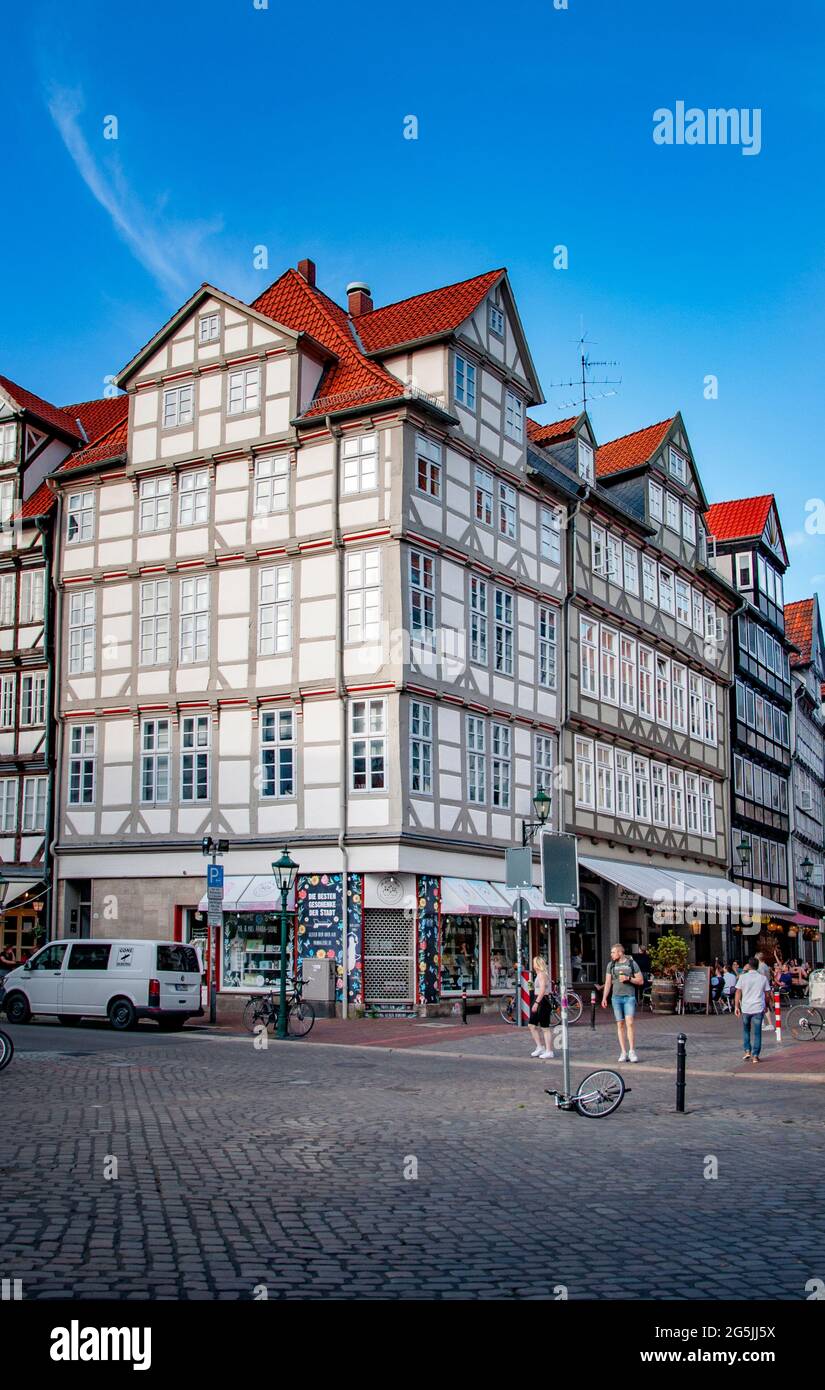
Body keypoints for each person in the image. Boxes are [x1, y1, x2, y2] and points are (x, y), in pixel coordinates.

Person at [601, 943, 643, 1063]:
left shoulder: (631, 963)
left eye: (613, 952)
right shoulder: (611, 965)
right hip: (616, 998)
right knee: (620, 1024)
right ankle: (623, 1051)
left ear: (620, 952)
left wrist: (628, 979)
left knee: (629, 1023)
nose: (611, 955)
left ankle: (632, 1051)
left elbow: (640, 981)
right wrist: (604, 997)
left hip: (629, 997)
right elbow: (608, 982)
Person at [735, 958, 771, 1064]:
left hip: (746, 1008)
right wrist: (766, 1005)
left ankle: (747, 1051)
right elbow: (767, 993)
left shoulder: (742, 977)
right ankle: (755, 1055)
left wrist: (736, 1007)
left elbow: (738, 992)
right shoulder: (762, 978)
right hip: (758, 1007)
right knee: (757, 1032)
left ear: (749, 966)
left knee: (746, 1029)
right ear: (757, 966)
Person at [528, 955, 555, 1059]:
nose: (533, 965)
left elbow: (543, 989)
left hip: (542, 1001)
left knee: (545, 1027)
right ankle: (540, 1047)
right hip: (539, 999)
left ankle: (549, 1051)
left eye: (534, 962)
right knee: (531, 1025)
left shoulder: (542, 974)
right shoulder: (539, 974)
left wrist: (536, 1003)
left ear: (537, 964)